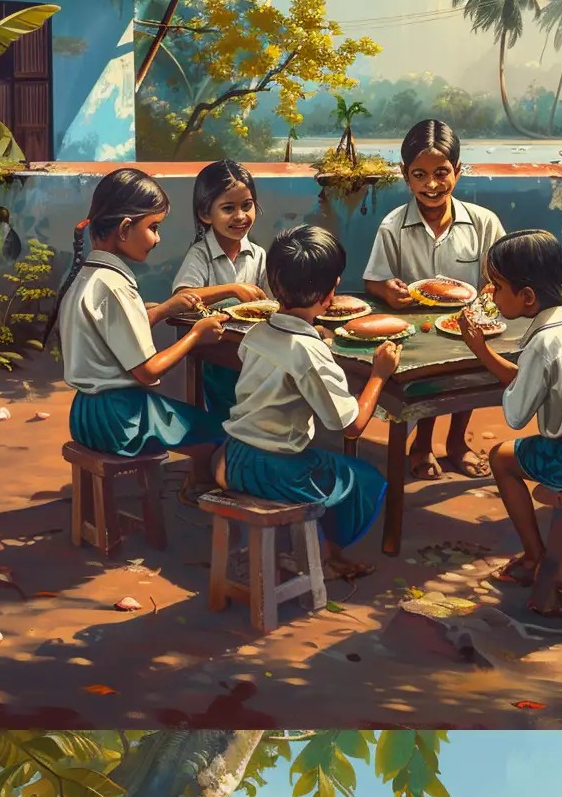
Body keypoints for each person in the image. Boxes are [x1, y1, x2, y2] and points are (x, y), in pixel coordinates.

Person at [452, 229, 562, 596]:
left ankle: (535, 555)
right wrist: (483, 351)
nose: (492, 293)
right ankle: (541, 555)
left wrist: (479, 350)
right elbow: (529, 380)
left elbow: (516, 416)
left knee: (500, 457)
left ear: (528, 296)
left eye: (497, 286)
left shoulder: (542, 343)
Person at [221, 225, 394, 582]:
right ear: (329, 294)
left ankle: (323, 553)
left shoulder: (256, 331)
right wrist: (379, 374)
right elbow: (350, 425)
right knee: (362, 476)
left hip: (235, 456)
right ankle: (327, 555)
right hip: (275, 469)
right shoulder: (311, 352)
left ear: (273, 282)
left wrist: (314, 339)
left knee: (327, 464)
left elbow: (281, 356)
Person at [362, 119, 506, 478]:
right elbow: (373, 281)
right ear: (404, 175)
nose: (431, 184)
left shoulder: (484, 223)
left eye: (442, 173)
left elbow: (502, 277)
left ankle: (457, 442)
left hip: (469, 328)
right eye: (420, 174)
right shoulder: (392, 226)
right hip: (417, 329)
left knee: (469, 378)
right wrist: (388, 291)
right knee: (425, 383)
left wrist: (490, 292)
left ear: (457, 171)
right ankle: (422, 443)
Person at [54, 166, 225, 458]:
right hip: (121, 419)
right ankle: (203, 490)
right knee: (222, 433)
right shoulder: (116, 288)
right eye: (153, 228)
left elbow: (113, 334)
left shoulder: (88, 277)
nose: (157, 239)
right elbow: (147, 371)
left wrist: (162, 311)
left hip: (85, 415)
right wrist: (196, 334)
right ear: (123, 229)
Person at [170, 159, 270, 423]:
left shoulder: (258, 254)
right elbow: (182, 297)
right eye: (228, 208)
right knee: (227, 415)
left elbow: (270, 301)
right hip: (216, 352)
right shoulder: (200, 254)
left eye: (246, 206)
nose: (240, 216)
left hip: (254, 352)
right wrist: (233, 289)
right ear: (206, 214)